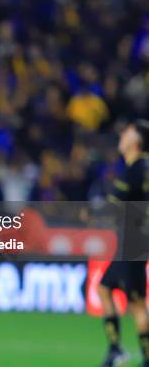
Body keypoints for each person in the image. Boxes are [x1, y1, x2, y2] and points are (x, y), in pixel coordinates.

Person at [99, 120, 149, 367]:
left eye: (128, 132)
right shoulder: (134, 169)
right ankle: (115, 349)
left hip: (134, 244)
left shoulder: (139, 169)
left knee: (137, 303)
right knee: (104, 288)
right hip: (128, 243)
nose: (122, 135)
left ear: (137, 141)